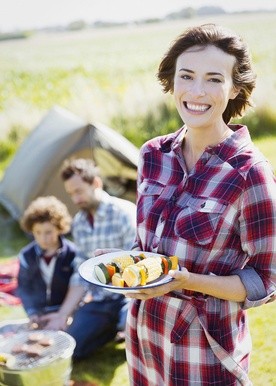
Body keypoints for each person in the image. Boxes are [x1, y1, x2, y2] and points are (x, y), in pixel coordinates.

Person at [122, 24, 276, 386]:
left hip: (205, 351)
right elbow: (146, 243)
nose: (196, 92)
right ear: (171, 82)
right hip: (146, 336)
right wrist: (122, 265)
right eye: (186, 76)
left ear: (234, 87)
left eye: (213, 79)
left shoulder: (249, 173)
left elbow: (266, 280)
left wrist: (188, 281)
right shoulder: (151, 155)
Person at [40, 158, 136, 359]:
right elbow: (80, 273)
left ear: (96, 184)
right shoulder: (80, 223)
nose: (75, 199)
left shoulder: (124, 214)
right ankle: (110, 331)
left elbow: (138, 265)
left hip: (131, 297)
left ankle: (124, 328)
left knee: (133, 333)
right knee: (72, 349)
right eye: (71, 194)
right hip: (101, 300)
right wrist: (63, 314)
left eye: (79, 191)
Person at [17, 196, 78, 327]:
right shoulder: (26, 256)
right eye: (37, 232)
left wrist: (68, 313)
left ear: (59, 228)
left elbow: (79, 287)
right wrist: (32, 312)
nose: (43, 238)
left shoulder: (73, 254)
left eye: (48, 232)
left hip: (66, 311)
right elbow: (24, 287)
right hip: (40, 312)